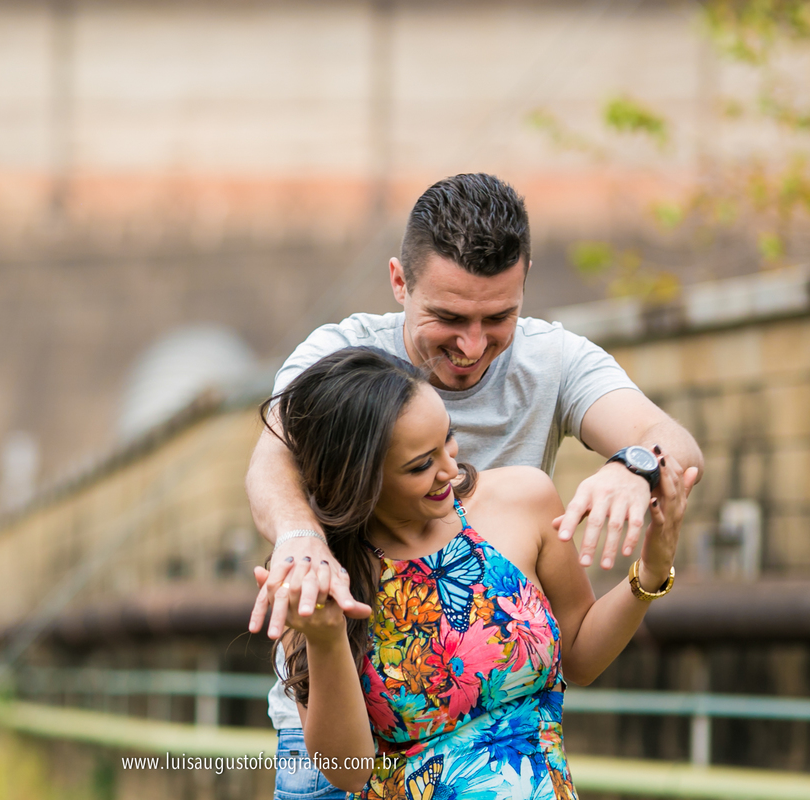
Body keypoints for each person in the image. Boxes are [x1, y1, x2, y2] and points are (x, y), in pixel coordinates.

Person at [245, 173, 704, 799]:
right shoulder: (342, 360)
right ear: (400, 282)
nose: (471, 345)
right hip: (352, 723)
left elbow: (669, 439)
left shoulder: (551, 373)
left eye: (498, 317)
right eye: (449, 317)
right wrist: (303, 542)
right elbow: (273, 458)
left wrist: (634, 465)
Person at [255, 346, 697, 798]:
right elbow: (348, 772)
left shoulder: (522, 499)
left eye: (447, 438)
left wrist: (652, 570)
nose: (450, 468)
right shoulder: (320, 578)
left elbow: (581, 658)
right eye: (421, 465)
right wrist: (327, 640)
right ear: (356, 479)